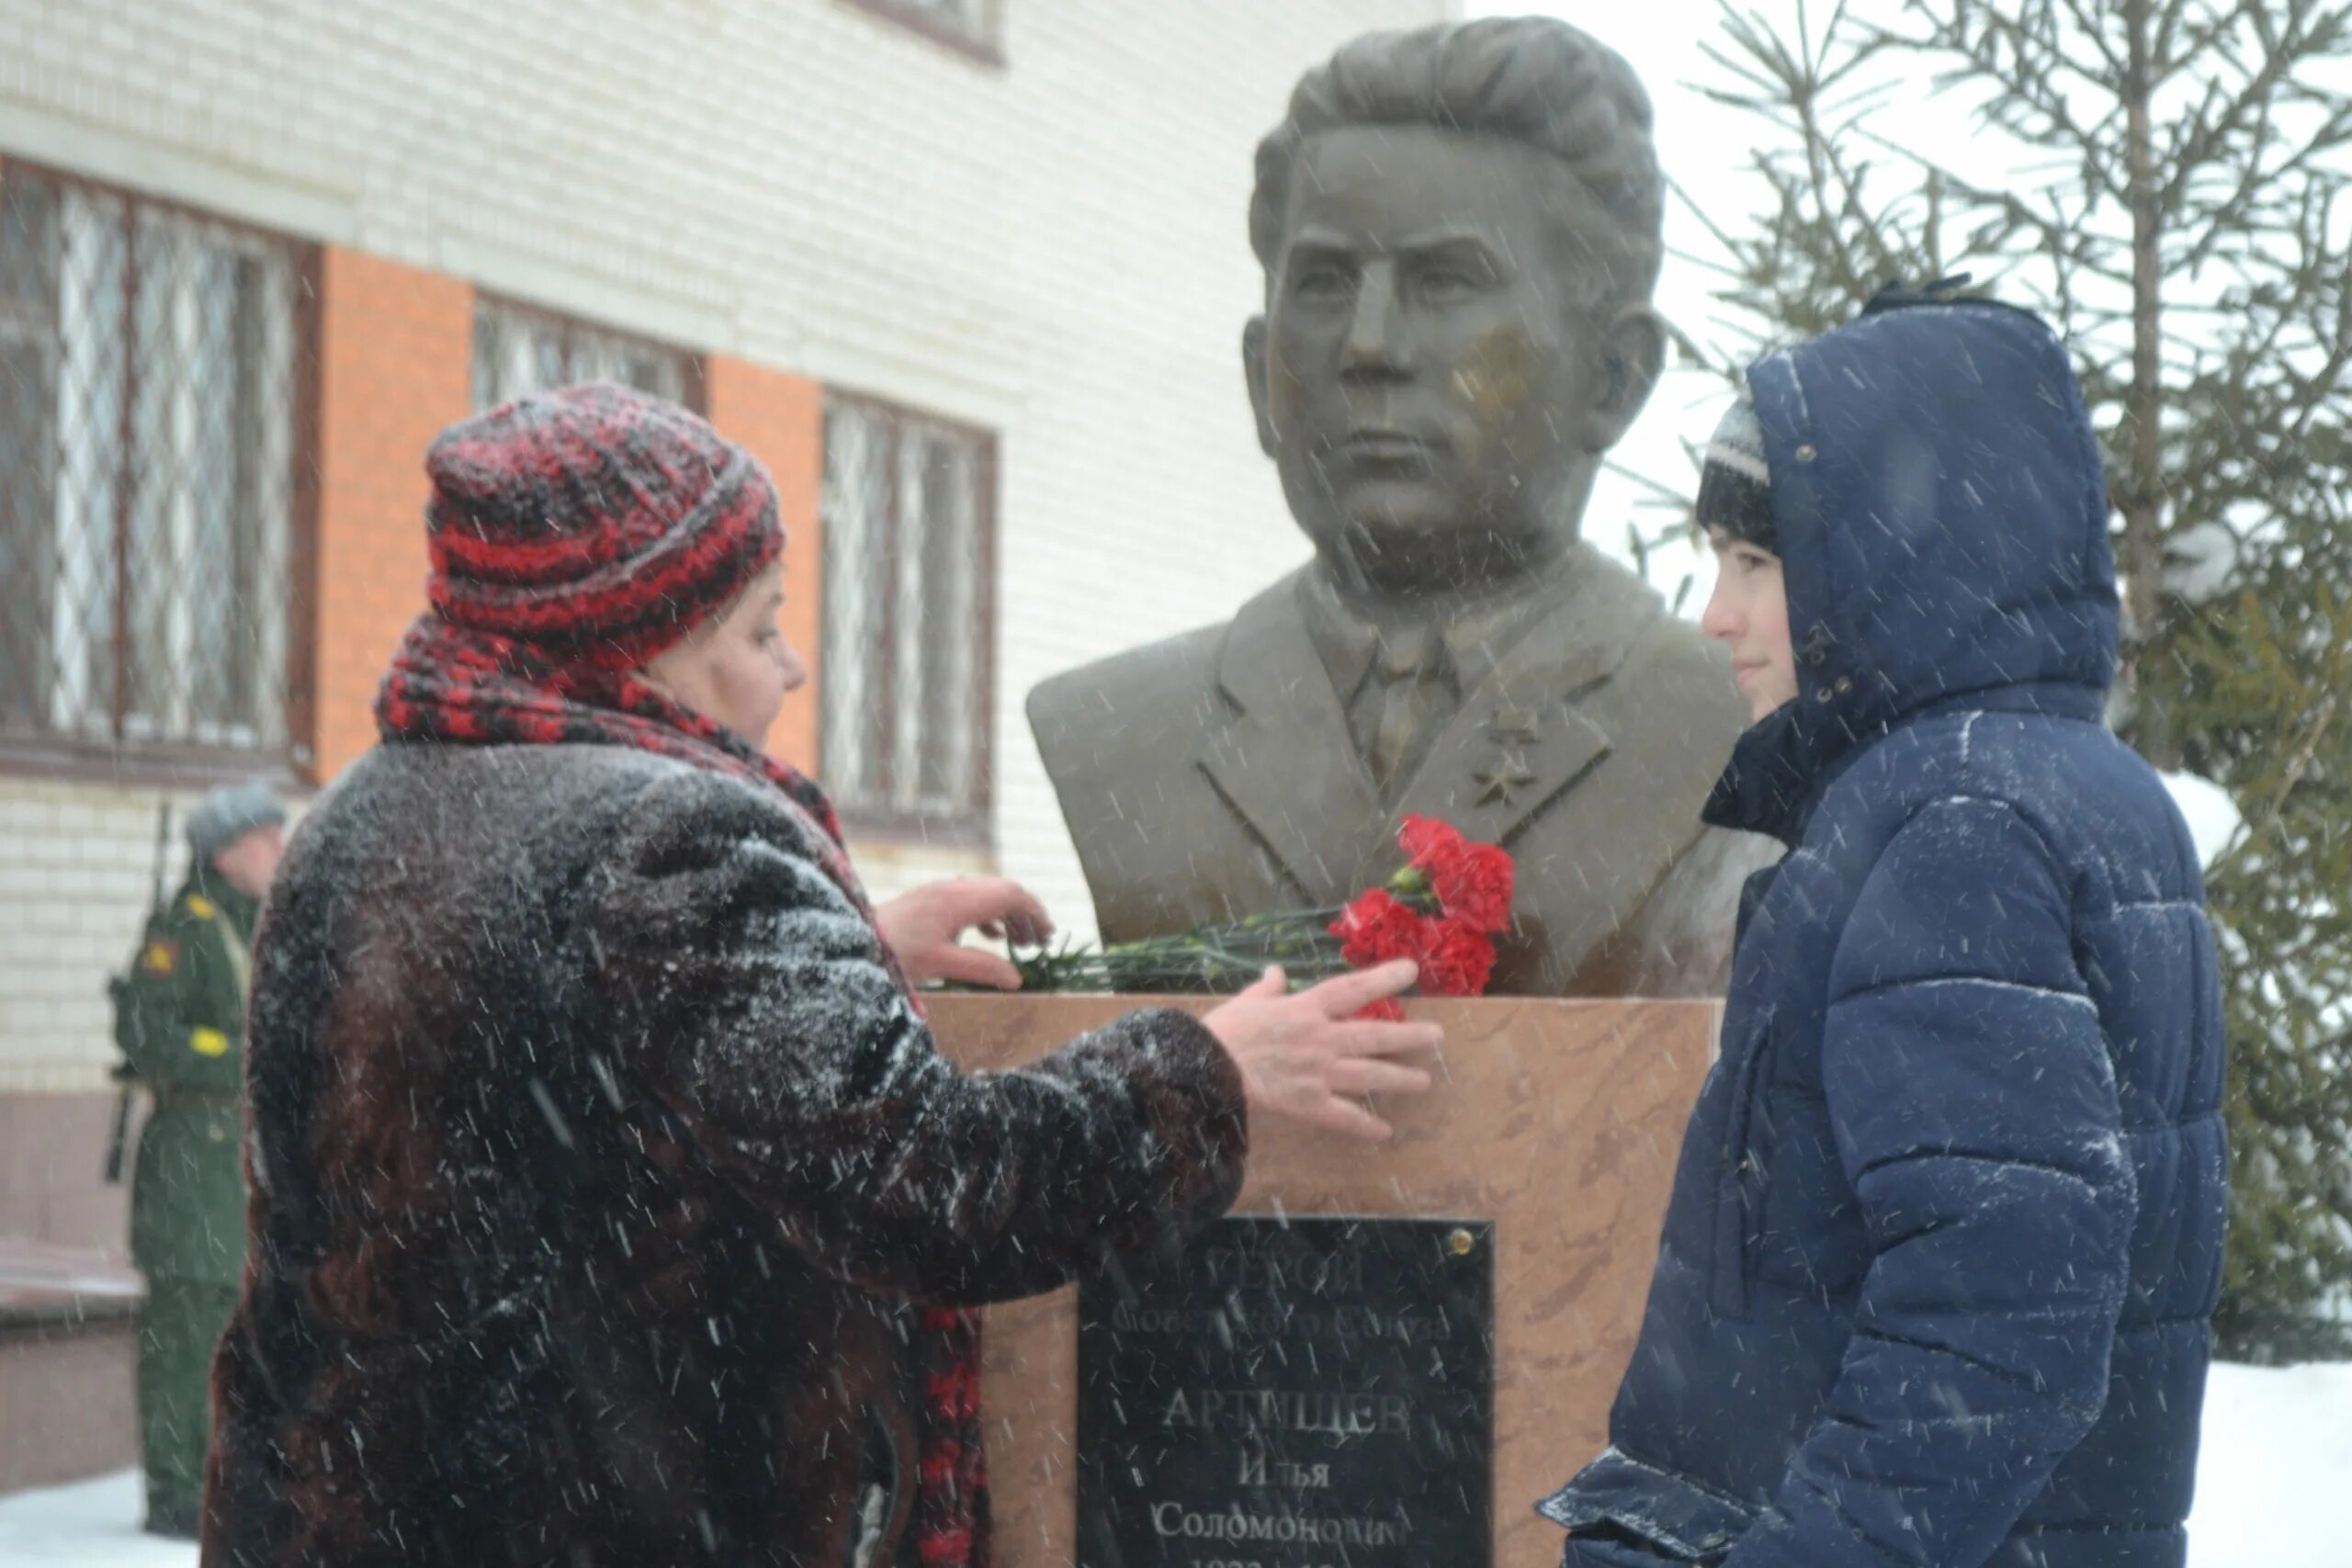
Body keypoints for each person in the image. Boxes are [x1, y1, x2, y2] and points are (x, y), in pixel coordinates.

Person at [201, 383, 1438, 1568]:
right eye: (761, 625)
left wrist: (843, 946)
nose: (788, 667)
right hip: (625, 1519)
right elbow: (933, 1183)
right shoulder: (677, 843)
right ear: (643, 644)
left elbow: (532, 1016)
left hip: (353, 1506)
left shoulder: (367, 811)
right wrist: (1203, 1070)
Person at [1535, 287, 2227, 1568]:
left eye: (1754, 561)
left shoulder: (1949, 822)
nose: (1712, 614)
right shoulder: (2049, 783)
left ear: (1885, 568)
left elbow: (2003, 1312)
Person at [1029, 17, 1770, 998]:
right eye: (1327, 283)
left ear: (1614, 375)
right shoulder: (1116, 732)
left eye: (1444, 281)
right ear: (1259, 376)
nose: (1368, 345)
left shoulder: (1733, 730)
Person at [109, 783, 285, 1538]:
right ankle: (176, 1490)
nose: (279, 850)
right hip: (191, 1162)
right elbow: (148, 1035)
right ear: (225, 852)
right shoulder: (184, 929)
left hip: (238, 1167)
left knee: (235, 1332)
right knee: (183, 1335)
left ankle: (224, 1481)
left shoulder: (257, 924)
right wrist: (239, 1056)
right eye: (264, 838)